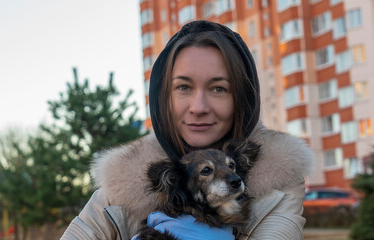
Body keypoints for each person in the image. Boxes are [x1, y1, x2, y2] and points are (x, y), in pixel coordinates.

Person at [61, 20, 314, 240]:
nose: (198, 107)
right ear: (164, 98)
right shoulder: (124, 180)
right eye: (183, 87)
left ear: (241, 99)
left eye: (218, 89)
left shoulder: (279, 177)